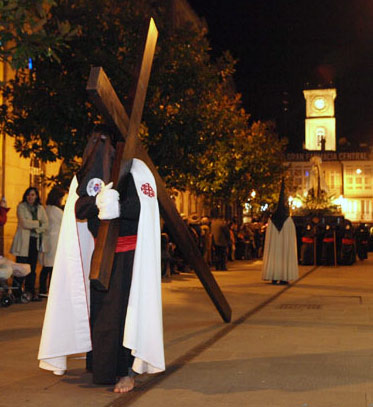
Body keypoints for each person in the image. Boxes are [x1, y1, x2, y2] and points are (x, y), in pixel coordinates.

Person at [38, 125, 165, 393]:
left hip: (129, 258)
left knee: (122, 316)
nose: (100, 147)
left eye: (105, 141)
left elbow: (142, 207)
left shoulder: (135, 172)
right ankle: (101, 366)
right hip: (101, 258)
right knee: (102, 315)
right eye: (95, 140)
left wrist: (117, 206)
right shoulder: (88, 175)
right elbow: (79, 207)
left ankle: (125, 371)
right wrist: (98, 202)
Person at [10, 187, 48, 301]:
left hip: (35, 241)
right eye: (28, 195)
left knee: (32, 268)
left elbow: (45, 224)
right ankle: (16, 293)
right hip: (23, 242)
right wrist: (38, 223)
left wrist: (37, 227)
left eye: (32, 195)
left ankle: (29, 292)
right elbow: (24, 223)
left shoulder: (40, 208)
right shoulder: (21, 207)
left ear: (36, 196)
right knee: (21, 267)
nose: (30, 197)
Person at [262, 181, 298, 285]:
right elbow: (291, 240)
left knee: (274, 256)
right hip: (284, 246)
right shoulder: (289, 221)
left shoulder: (271, 220)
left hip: (274, 247)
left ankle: (273, 275)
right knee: (283, 256)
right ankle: (283, 276)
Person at [39, 187, 65, 296]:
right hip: (55, 239)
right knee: (52, 267)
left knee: (46, 266)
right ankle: (49, 289)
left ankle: (43, 288)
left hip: (48, 239)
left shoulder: (47, 208)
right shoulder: (56, 210)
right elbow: (64, 221)